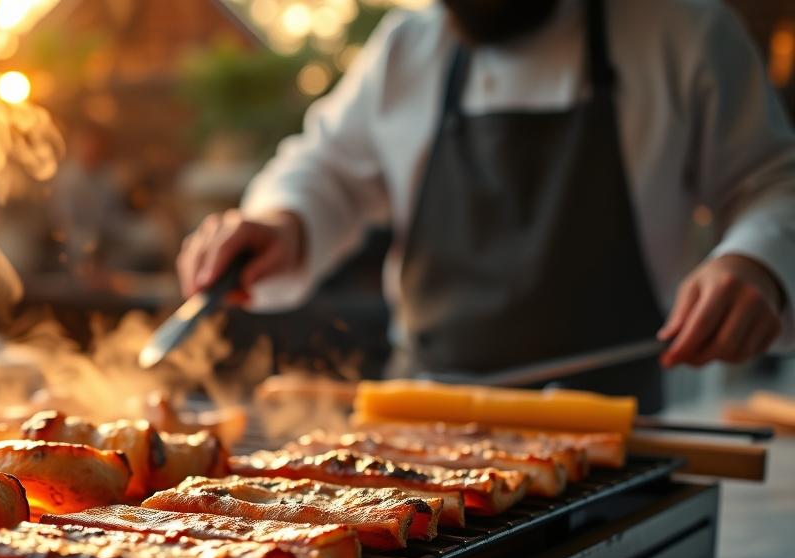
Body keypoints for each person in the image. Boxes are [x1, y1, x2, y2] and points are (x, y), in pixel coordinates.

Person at [177, 0, 795, 412]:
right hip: (418, 432)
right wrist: (282, 221)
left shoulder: (681, 30)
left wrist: (756, 261)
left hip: (614, 435)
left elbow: (773, 180)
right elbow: (327, 171)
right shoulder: (408, 48)